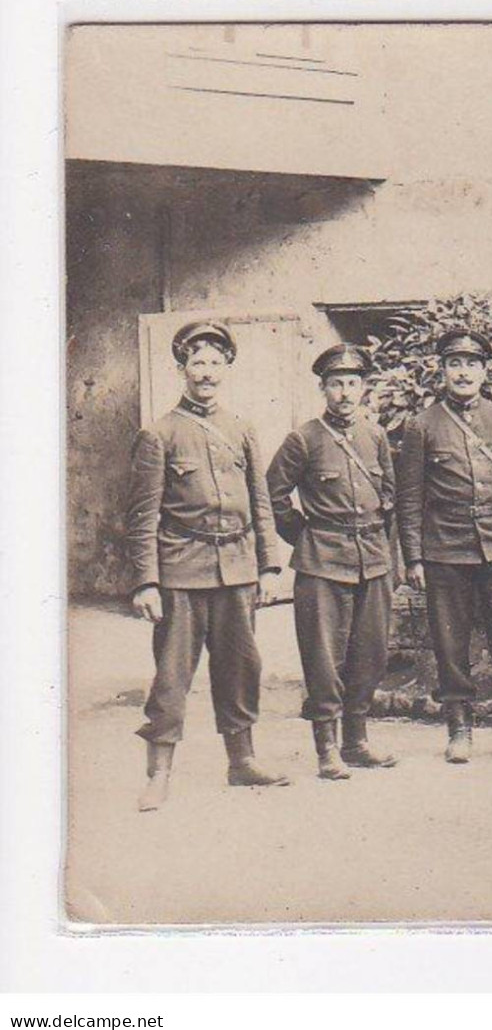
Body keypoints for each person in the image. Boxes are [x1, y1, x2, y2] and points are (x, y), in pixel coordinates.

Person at [125, 321, 287, 811]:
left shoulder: (242, 430)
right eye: (197, 362)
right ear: (181, 369)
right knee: (172, 675)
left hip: (237, 568)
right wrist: (146, 582)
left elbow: (261, 502)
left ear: (227, 369)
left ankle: (242, 762)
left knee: (241, 666)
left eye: (216, 363)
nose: (207, 372)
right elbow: (142, 515)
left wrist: (270, 566)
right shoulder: (159, 434)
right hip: (181, 570)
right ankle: (159, 774)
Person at [395, 328, 492, 764]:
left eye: (472, 364)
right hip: (446, 548)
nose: (464, 372)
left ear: (485, 370)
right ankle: (459, 731)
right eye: (455, 364)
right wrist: (414, 557)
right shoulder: (421, 426)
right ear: (442, 370)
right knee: (449, 641)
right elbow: (410, 497)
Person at [266, 343, 398, 780]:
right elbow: (272, 496)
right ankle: (326, 749)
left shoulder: (375, 435)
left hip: (373, 561)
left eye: (353, 383)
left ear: (364, 388)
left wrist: (387, 553)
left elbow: (390, 496)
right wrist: (304, 535)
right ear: (323, 388)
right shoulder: (303, 438)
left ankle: (356, 741)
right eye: (336, 384)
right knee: (324, 657)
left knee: (371, 651)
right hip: (322, 562)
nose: (345, 392)